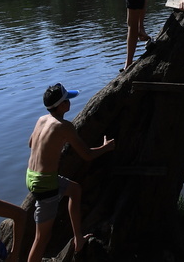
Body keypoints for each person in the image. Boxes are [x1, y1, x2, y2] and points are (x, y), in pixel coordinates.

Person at [26, 83, 116, 262]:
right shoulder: (64, 126)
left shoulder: (41, 119)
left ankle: (78, 239)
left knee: (75, 190)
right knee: (41, 238)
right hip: (45, 185)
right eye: (67, 100)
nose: (69, 103)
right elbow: (88, 155)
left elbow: (30, 143)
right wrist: (106, 148)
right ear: (61, 105)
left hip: (31, 176)